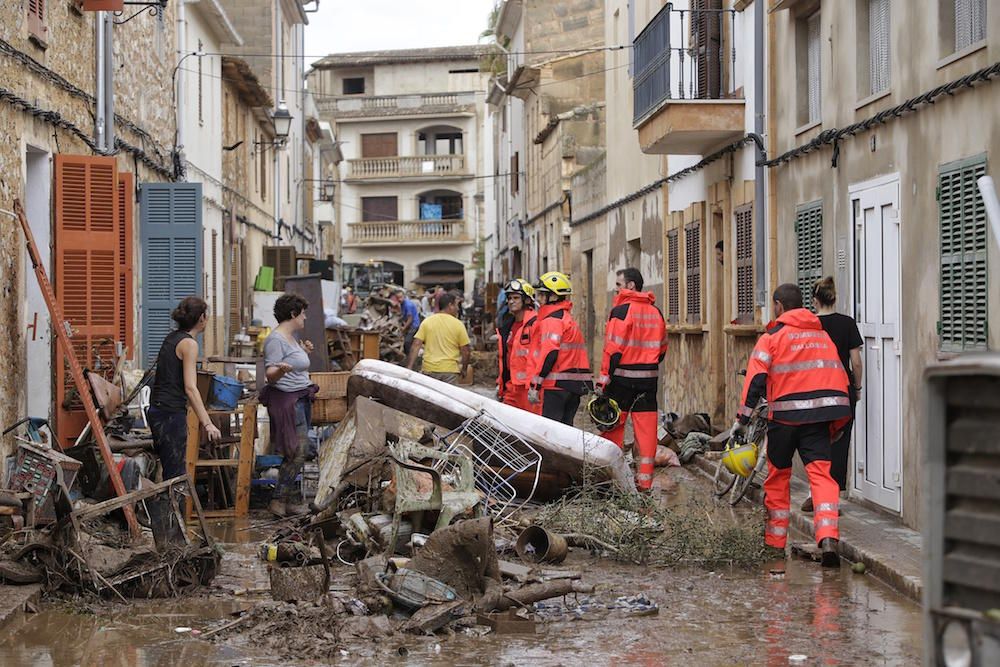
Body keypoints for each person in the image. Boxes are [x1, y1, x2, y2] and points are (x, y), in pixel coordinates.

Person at [733, 283, 851, 567]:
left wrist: (742, 419)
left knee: (778, 479)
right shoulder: (822, 336)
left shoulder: (772, 337)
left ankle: (774, 544)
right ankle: (828, 537)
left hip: (784, 420)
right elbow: (839, 379)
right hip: (819, 420)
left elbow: (756, 380)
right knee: (822, 477)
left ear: (778, 306)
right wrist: (836, 423)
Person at [596, 268, 667, 491]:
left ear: (630, 286)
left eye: (618, 284)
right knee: (646, 434)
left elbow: (613, 350)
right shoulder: (656, 312)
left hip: (622, 381)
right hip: (648, 381)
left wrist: (603, 381)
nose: (615, 289)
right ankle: (644, 483)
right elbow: (663, 349)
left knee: (613, 428)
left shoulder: (621, 311)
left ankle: (612, 482)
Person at [801, 276, 864, 511]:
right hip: (841, 390)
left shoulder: (809, 325)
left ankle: (814, 494)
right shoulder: (847, 323)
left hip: (814, 390)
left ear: (814, 300)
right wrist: (856, 389)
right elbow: (856, 362)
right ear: (834, 298)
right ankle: (831, 499)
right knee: (839, 443)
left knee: (814, 442)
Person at [148, 297, 221, 481]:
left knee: (170, 470)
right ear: (202, 318)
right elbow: (190, 387)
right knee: (176, 476)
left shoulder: (172, 337)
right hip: (170, 413)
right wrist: (207, 423)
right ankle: (173, 510)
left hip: (157, 410)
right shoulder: (189, 344)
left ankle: (170, 508)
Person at [261, 293, 318, 517]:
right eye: (303, 313)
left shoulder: (290, 338)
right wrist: (281, 369)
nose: (305, 317)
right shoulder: (275, 340)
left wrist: (303, 353)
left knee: (297, 451)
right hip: (288, 401)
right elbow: (270, 374)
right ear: (293, 314)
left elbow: (292, 363)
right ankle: (278, 500)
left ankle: (285, 500)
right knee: (298, 451)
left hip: (299, 397)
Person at [529, 271, 592, 425]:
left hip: (555, 387)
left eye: (543, 295)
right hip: (572, 386)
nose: (539, 299)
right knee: (566, 430)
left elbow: (550, 353)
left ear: (554, 297)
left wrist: (535, 385)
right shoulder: (567, 318)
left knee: (551, 432)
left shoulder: (552, 321)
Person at [496, 278, 540, 413]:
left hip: (529, 388)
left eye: (516, 298)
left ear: (527, 300)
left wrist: (536, 386)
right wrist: (501, 383)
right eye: (509, 298)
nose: (511, 301)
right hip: (511, 387)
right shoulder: (507, 327)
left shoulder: (536, 324)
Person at [406, 291, 470, 384]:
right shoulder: (458, 325)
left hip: (429, 371)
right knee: (448, 398)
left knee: (429, 398)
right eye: (456, 305)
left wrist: (409, 367)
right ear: (450, 305)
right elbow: (466, 351)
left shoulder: (427, 322)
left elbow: (416, 344)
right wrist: (464, 369)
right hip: (450, 372)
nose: (458, 309)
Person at [391, 288, 422, 356]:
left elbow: (410, 319)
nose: (399, 299)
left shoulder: (408, 304)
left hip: (414, 325)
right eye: (398, 298)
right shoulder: (402, 304)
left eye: (401, 297)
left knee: (407, 342)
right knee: (409, 341)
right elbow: (404, 315)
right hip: (410, 324)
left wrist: (404, 328)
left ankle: (409, 357)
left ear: (404, 296)